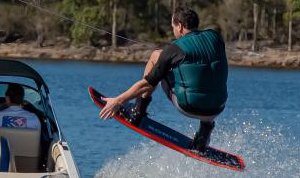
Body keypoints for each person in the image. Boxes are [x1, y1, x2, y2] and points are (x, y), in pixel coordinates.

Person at [98, 8, 228, 152]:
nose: (173, 30)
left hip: (189, 106)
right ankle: (204, 132)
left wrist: (118, 100)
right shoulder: (216, 37)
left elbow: (147, 84)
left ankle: (138, 111)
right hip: (217, 108)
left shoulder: (174, 48)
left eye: (173, 26)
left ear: (180, 26)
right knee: (208, 79)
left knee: (155, 56)